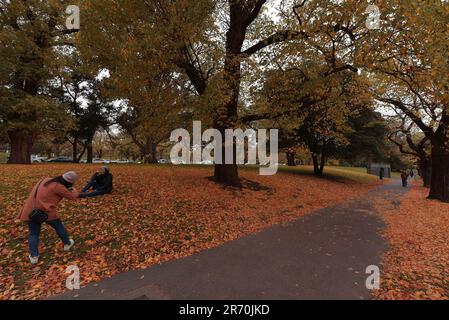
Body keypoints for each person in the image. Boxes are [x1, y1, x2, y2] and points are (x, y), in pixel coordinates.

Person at [18, 171, 80, 264]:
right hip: (46, 212)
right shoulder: (59, 187)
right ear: (69, 183)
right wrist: (73, 189)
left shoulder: (46, 179)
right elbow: (73, 197)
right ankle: (67, 243)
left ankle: (34, 256)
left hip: (30, 210)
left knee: (33, 234)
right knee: (58, 226)